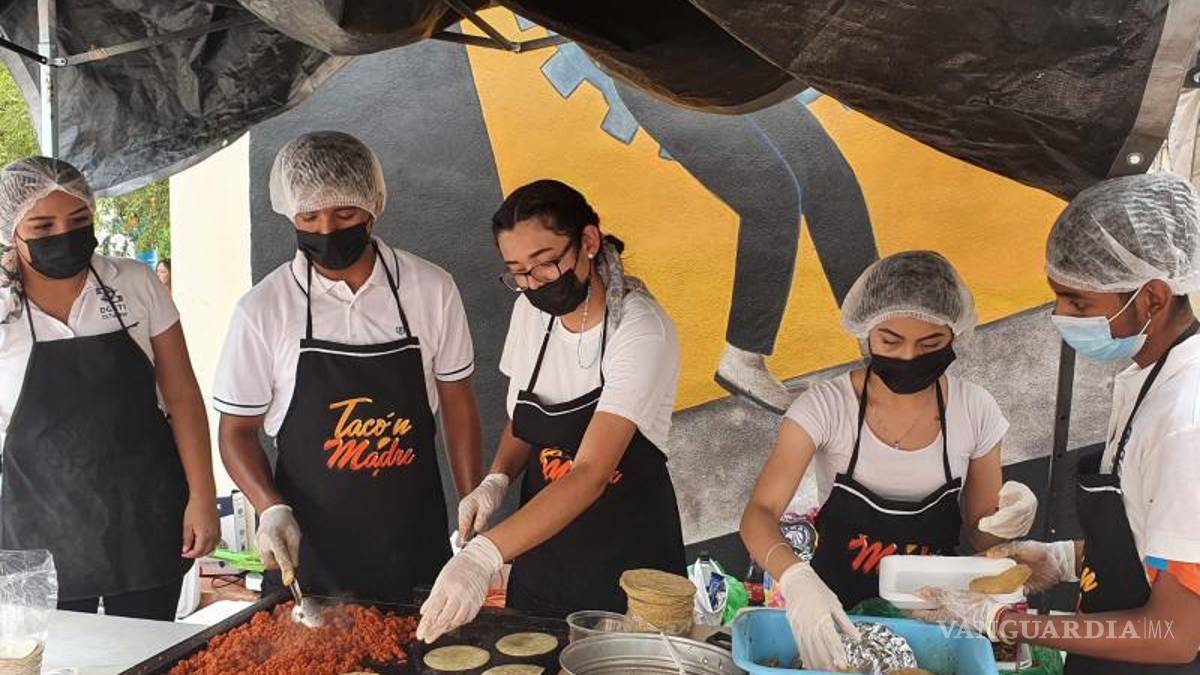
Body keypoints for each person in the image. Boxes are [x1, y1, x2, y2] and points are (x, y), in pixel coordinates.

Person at [913, 173, 1200, 671]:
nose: (1060, 316)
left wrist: (1004, 623)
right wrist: (1063, 558)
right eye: (1059, 297)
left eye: (1079, 302)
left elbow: (1174, 634)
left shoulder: (1186, 422)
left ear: (1152, 297)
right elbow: (1148, 545)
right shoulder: (1147, 379)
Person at [213, 131, 483, 603]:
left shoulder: (430, 289)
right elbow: (236, 431)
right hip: (309, 555)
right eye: (309, 216)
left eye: (343, 214)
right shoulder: (264, 308)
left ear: (372, 206)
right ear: (290, 214)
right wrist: (270, 506)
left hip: (412, 544)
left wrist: (472, 506)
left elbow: (458, 402)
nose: (325, 230)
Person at [739, 251, 1038, 670]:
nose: (909, 357)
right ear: (865, 334)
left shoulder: (975, 410)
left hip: (935, 620)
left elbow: (983, 535)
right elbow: (759, 513)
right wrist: (796, 578)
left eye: (931, 343)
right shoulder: (825, 407)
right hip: (837, 612)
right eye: (890, 341)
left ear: (956, 335)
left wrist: (1010, 518)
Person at [416, 180, 685, 642]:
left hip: (626, 565)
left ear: (588, 242)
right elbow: (525, 419)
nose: (533, 283)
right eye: (517, 271)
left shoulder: (639, 330)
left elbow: (591, 473)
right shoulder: (530, 314)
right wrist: (495, 481)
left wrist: (483, 556)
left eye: (545, 263)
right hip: (542, 556)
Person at [0, 157, 219, 619]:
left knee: (147, 651)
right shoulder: (4, 310)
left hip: (144, 514)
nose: (64, 233)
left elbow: (182, 395)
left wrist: (202, 496)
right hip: (40, 522)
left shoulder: (134, 282)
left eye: (79, 220)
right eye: (42, 225)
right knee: (58, 660)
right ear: (11, 232)